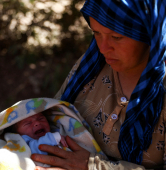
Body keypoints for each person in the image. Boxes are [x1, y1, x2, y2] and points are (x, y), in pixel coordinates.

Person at [30, 0, 166, 170]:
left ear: (149, 33)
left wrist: (93, 166)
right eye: (96, 33)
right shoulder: (90, 67)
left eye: (117, 37)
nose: (103, 47)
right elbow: (53, 118)